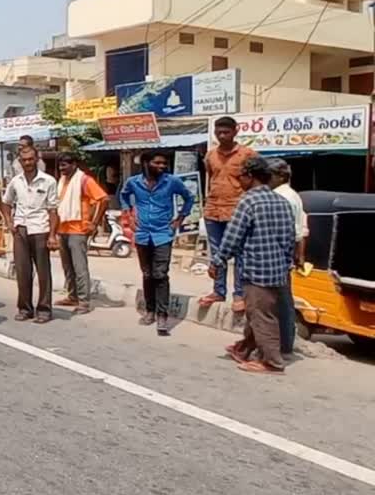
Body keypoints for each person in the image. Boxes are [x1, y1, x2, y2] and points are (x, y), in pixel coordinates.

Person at [216, 157, 296, 373]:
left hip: (257, 269)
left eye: (241, 176)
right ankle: (243, 348)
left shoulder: (248, 201)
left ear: (250, 176)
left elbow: (233, 237)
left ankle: (272, 361)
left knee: (262, 316)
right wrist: (286, 263)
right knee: (258, 312)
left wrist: (218, 261)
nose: (239, 181)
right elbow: (290, 239)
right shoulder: (282, 202)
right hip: (278, 269)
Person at [119, 151, 195, 334]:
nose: (161, 166)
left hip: (163, 233)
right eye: (157, 163)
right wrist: (128, 214)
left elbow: (189, 197)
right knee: (147, 274)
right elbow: (123, 195)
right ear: (146, 163)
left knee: (160, 274)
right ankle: (150, 310)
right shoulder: (133, 182)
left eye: (164, 163)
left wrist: (179, 219)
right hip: (143, 233)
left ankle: (162, 315)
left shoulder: (172, 181)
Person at [201, 116, 257, 313]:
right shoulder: (210, 156)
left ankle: (239, 294)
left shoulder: (248, 155)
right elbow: (211, 179)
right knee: (216, 255)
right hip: (213, 210)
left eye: (226, 132)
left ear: (235, 131)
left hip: (238, 211)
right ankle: (218, 291)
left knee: (241, 254)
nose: (222, 136)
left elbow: (256, 181)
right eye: (218, 133)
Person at [1, 146, 59, 323]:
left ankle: (44, 309)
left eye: (30, 159)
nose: (27, 163)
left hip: (41, 229)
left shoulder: (48, 181)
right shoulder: (16, 181)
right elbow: (6, 202)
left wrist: (52, 235)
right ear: (20, 161)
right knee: (22, 272)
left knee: (43, 272)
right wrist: (9, 222)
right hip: (21, 229)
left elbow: (53, 210)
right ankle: (25, 308)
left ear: (37, 159)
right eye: (24, 160)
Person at [54, 152, 108, 314]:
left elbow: (103, 199)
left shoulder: (84, 180)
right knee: (67, 267)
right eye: (60, 165)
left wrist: (94, 223)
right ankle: (72, 296)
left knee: (79, 267)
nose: (62, 168)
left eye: (65, 164)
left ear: (74, 165)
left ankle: (84, 301)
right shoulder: (62, 181)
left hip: (78, 229)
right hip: (62, 228)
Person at [268, 158, 307, 356]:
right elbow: (301, 230)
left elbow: (295, 231)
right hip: (285, 254)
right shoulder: (292, 196)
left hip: (278, 254)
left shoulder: (283, 197)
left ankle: (281, 346)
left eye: (270, 175)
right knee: (282, 302)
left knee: (279, 303)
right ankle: (283, 343)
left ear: (281, 176)